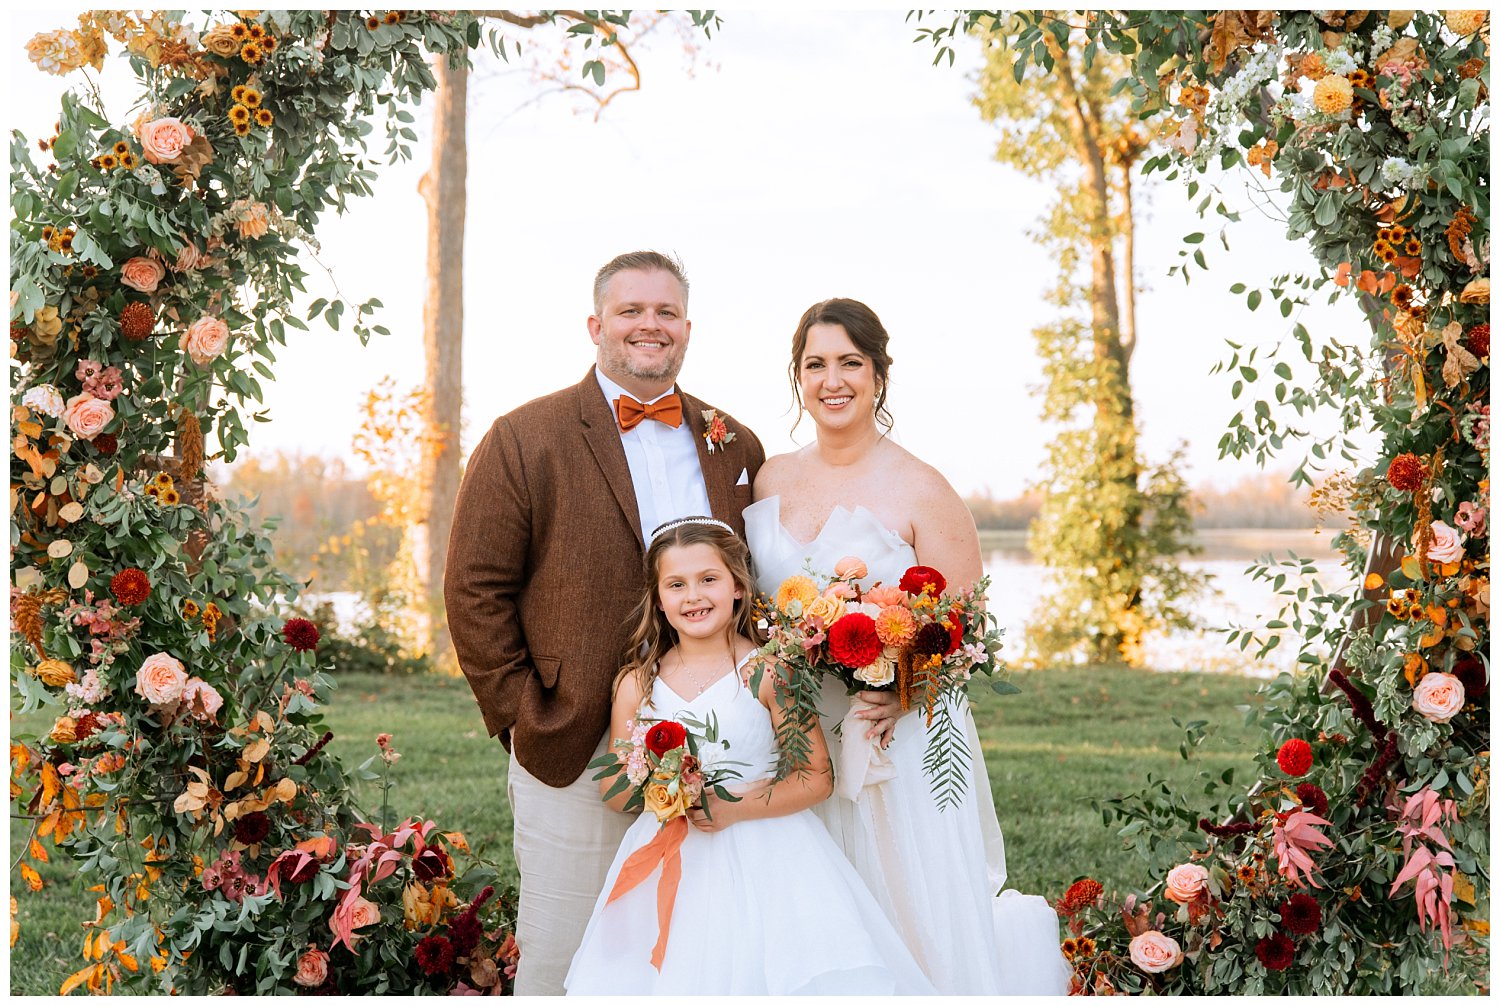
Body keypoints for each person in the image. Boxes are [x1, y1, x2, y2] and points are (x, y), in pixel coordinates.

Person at [444, 252, 764, 996]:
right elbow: (475, 590)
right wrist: (527, 715)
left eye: (665, 312)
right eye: (631, 311)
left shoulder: (735, 442)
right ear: (596, 325)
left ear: (686, 328)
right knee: (565, 954)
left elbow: (757, 584)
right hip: (576, 742)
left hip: (716, 741)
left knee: (694, 949)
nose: (649, 326)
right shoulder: (525, 436)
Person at [743, 298, 1070, 995]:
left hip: (898, 737)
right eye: (815, 364)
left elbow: (964, 625)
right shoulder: (770, 479)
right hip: (799, 733)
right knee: (813, 923)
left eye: (850, 363)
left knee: (906, 913)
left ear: (879, 376)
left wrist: (900, 689)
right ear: (798, 378)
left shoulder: (922, 486)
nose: (833, 380)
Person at [565, 518, 934, 994]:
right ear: (658, 599)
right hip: (670, 851)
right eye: (676, 585)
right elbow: (614, 789)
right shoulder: (638, 683)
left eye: (708, 580)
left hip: (769, 852)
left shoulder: (767, 671)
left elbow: (815, 777)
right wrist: (662, 787)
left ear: (737, 587)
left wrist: (731, 808)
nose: (693, 596)